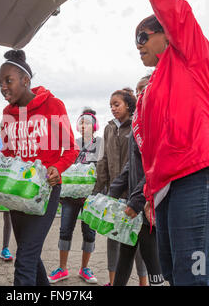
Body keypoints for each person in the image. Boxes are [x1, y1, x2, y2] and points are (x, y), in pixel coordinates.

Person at [133, 0, 209, 285]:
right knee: (173, 274)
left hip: (203, 171)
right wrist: (150, 195)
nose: (137, 45)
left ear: (167, 33)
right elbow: (152, 149)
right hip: (169, 185)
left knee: (190, 276)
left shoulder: (191, 58)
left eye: (142, 36)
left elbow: (171, 5)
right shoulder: (149, 91)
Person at [0, 49, 79, 286]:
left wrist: (57, 167)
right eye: (0, 83)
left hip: (44, 191)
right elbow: (7, 153)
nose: (3, 87)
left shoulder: (53, 105)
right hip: (17, 192)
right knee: (29, 254)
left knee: (23, 260)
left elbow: (71, 148)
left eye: (8, 81)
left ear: (25, 80)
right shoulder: (6, 114)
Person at [108, 76, 164, 286]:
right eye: (139, 91)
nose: (142, 94)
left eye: (146, 89)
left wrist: (137, 200)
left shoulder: (158, 121)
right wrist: (112, 192)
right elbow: (131, 165)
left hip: (150, 202)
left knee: (151, 257)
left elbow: (156, 166)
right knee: (125, 252)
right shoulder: (139, 125)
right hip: (136, 200)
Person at [48, 107, 104, 284]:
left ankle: (84, 269)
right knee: (65, 230)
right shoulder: (73, 143)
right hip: (70, 197)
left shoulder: (101, 143)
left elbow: (103, 169)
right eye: (81, 122)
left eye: (87, 123)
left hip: (91, 198)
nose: (83, 125)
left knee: (89, 233)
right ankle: (62, 269)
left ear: (95, 126)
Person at [92, 88, 139, 286]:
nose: (113, 108)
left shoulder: (137, 126)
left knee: (136, 242)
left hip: (133, 193)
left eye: (116, 104)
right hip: (113, 192)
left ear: (128, 105)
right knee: (113, 239)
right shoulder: (109, 128)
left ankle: (143, 282)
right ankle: (112, 282)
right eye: (110, 105)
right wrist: (96, 191)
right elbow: (103, 160)